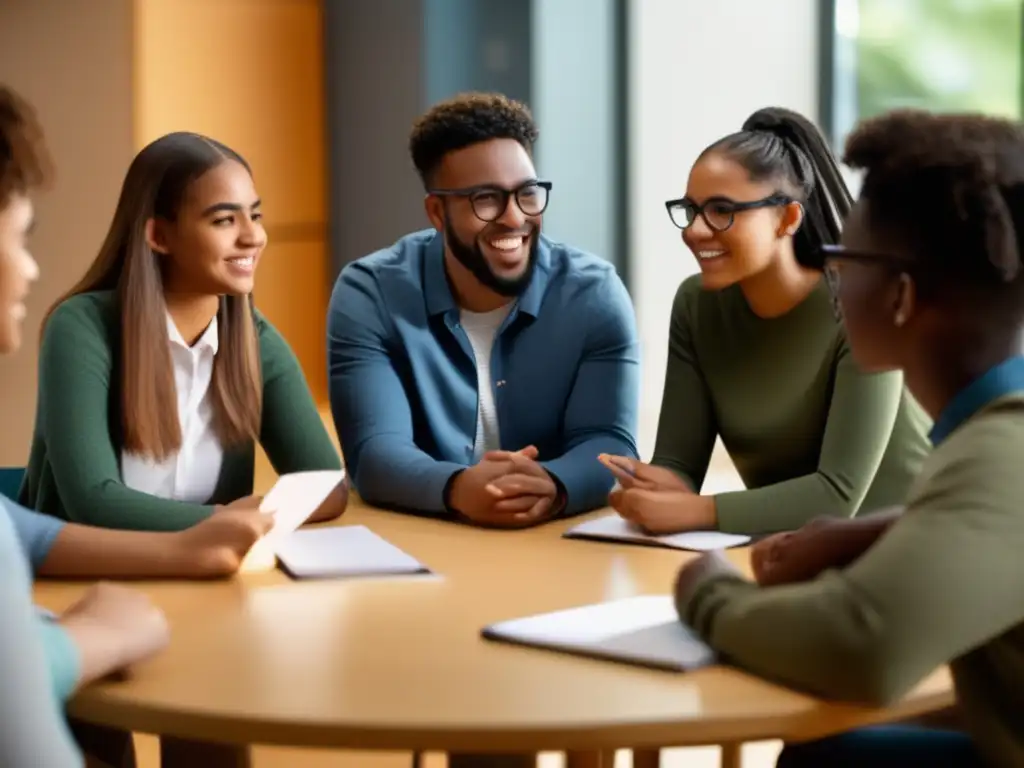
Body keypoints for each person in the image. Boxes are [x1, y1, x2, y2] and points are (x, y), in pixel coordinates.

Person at [674, 109, 1024, 767]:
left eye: (840, 257)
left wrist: (705, 592)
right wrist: (887, 528)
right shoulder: (996, 435)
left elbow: (861, 647)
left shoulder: (1001, 455)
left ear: (900, 296)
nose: (828, 274)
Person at [600, 107, 931, 536]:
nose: (695, 231)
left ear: (788, 218)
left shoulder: (861, 306)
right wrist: (647, 490)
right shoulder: (695, 305)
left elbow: (836, 495)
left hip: (919, 542)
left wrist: (698, 511)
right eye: (690, 209)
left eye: (722, 210)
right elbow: (679, 466)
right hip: (798, 550)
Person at [328, 92, 639, 529]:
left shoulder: (593, 294)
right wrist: (458, 488)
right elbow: (376, 452)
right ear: (437, 212)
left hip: (552, 539)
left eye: (527, 193)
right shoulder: (371, 293)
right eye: (486, 199)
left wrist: (552, 483)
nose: (514, 218)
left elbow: (609, 442)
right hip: (424, 539)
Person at [21, 130, 347, 531]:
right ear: (158, 235)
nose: (253, 236)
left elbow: (326, 486)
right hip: (86, 579)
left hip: (205, 578)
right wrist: (227, 522)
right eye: (224, 219)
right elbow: (92, 502)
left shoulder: (254, 340)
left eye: (255, 215)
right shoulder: (80, 328)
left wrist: (243, 523)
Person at [0, 83, 169, 768]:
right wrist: (86, 641)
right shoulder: (81, 325)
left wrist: (184, 549)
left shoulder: (250, 333)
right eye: (19, 235)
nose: (33, 267)